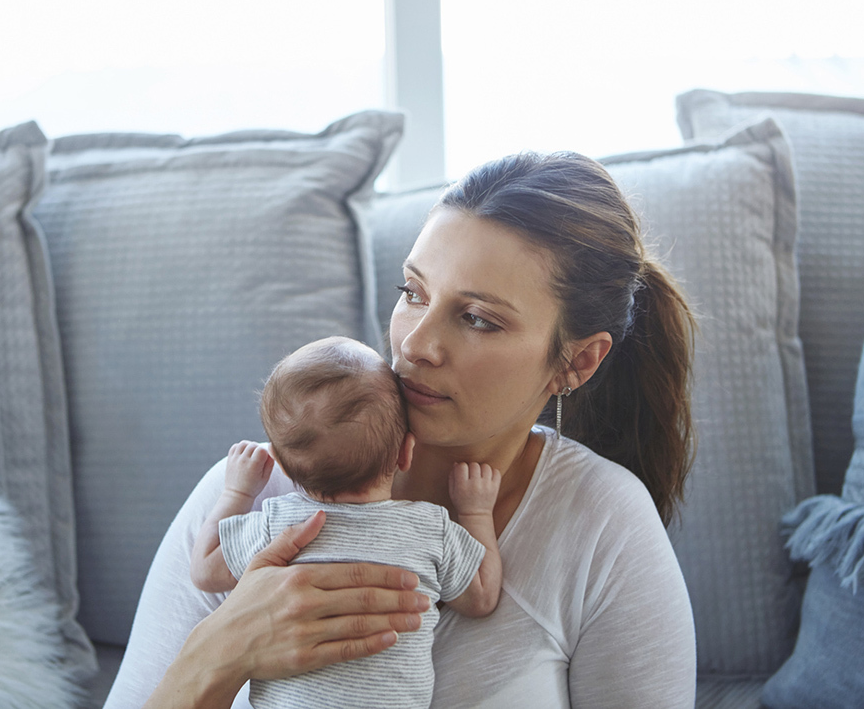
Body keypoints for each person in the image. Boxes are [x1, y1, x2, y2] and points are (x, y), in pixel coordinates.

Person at [108, 151, 698, 709]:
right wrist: (223, 650)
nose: (414, 345)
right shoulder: (252, 491)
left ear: (578, 362)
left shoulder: (604, 525)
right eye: (412, 293)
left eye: (477, 319)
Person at [188, 336, 502, 708]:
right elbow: (481, 596)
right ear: (406, 453)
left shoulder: (280, 525)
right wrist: (477, 512)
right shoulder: (428, 527)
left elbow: (206, 570)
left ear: (282, 467)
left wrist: (237, 493)